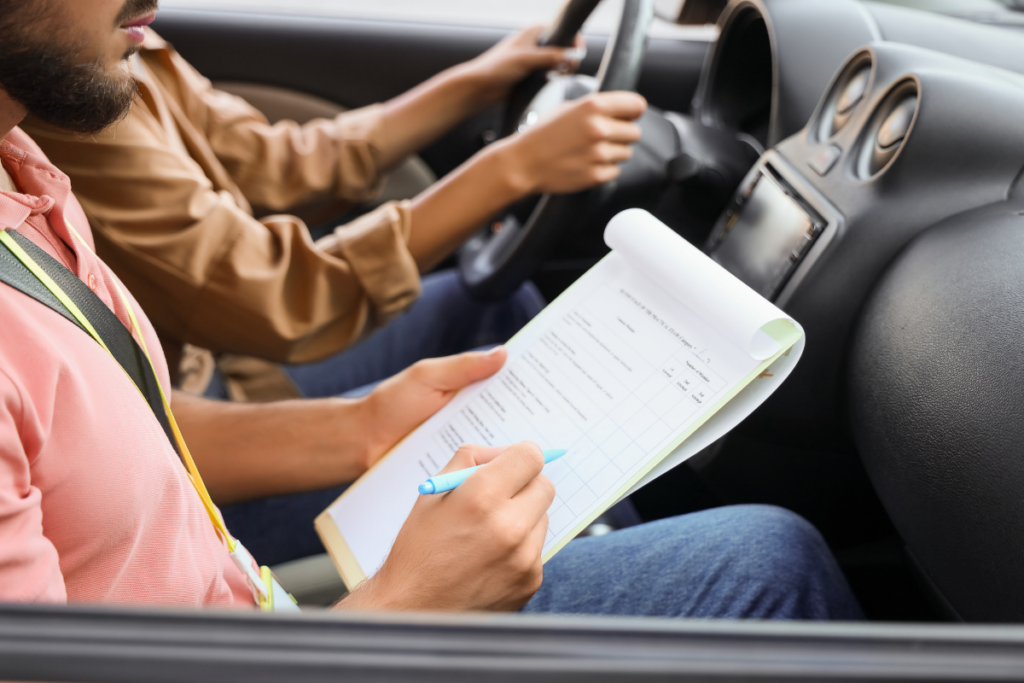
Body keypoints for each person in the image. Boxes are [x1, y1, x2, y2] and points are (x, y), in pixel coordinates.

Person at [0, 0, 862, 620]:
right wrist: (407, 605)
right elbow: (277, 297)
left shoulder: (25, 168)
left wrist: (363, 426)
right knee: (768, 563)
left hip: (252, 600)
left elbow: (116, 422)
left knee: (494, 317)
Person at [20, 9, 648, 404]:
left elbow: (271, 161)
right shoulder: (74, 98)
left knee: (498, 304)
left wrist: (473, 83)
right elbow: (277, 300)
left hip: (215, 368)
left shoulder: (126, 42)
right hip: (197, 410)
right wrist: (515, 167)